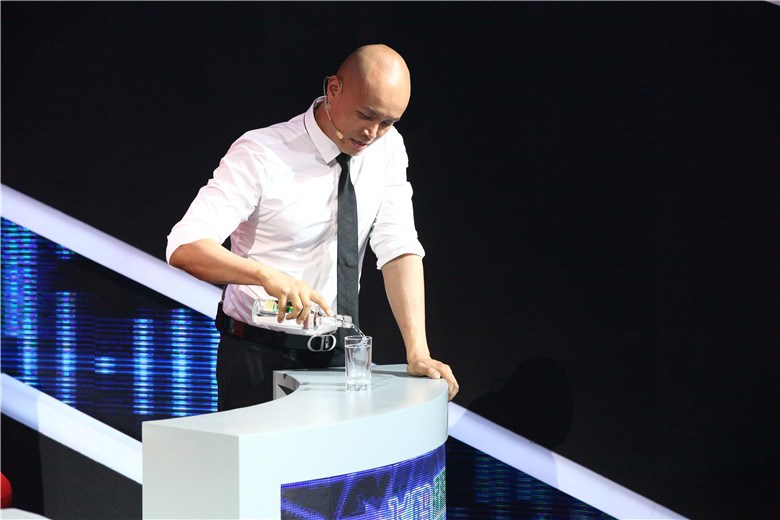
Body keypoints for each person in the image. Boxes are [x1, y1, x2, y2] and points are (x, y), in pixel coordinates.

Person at [166, 44, 458, 410]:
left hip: (339, 355)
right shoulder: (262, 152)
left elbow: (398, 245)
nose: (372, 133)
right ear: (333, 89)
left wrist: (418, 351)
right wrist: (265, 276)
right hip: (258, 355)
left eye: (388, 122)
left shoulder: (388, 149)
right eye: (366, 115)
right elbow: (185, 246)